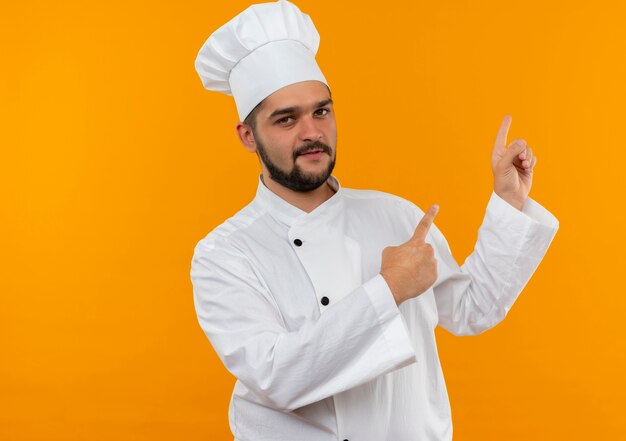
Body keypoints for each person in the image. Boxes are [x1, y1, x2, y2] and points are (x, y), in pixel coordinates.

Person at [190, 1, 559, 440]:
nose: (311, 132)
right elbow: (276, 376)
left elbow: (470, 309)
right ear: (248, 136)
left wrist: (508, 202)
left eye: (321, 111)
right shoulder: (224, 254)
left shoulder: (395, 214)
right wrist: (389, 289)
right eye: (286, 119)